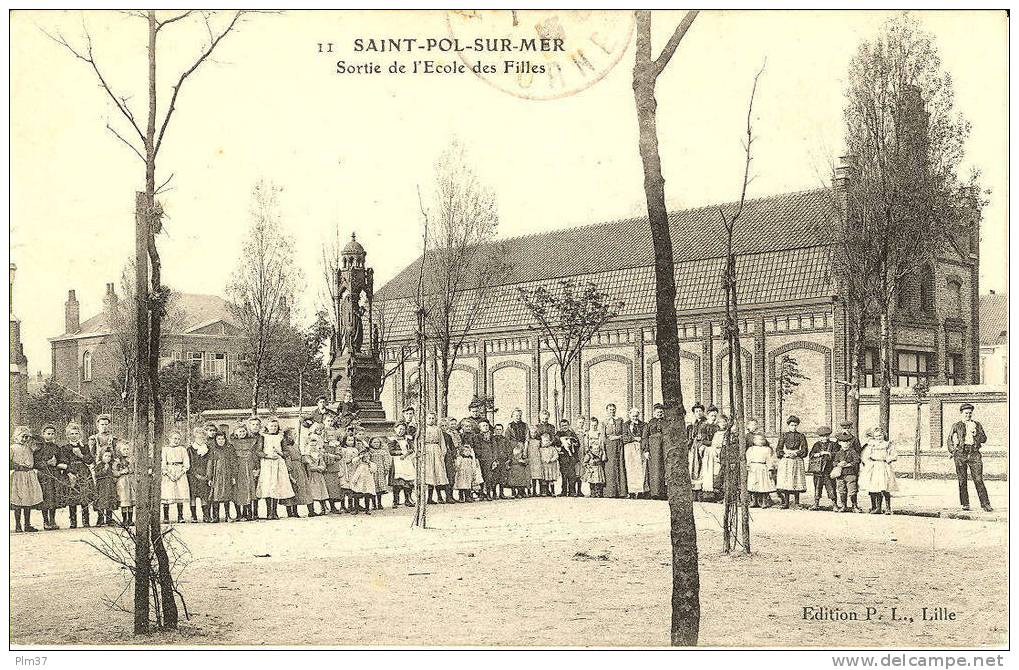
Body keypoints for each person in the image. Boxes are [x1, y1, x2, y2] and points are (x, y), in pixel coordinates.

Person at [948, 403, 993, 512]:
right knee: (962, 480)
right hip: (961, 454)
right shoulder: (956, 425)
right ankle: (965, 504)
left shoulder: (977, 424)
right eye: (966, 413)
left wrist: (976, 433)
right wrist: (953, 451)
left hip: (974, 453)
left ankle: (985, 504)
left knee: (978, 479)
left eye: (970, 413)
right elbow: (949, 439)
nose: (968, 415)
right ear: (961, 414)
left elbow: (984, 439)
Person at [255, 417, 295, 521]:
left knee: (276, 486)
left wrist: (279, 453)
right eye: (271, 426)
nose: (273, 428)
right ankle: (269, 512)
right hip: (267, 464)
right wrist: (267, 455)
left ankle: (275, 512)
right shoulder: (262, 437)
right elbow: (258, 451)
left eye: (275, 426)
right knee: (268, 486)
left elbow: (286, 452)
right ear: (267, 427)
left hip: (278, 463)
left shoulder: (280, 437)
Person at [59, 422, 95, 528]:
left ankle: (86, 521)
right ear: (68, 435)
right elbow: (63, 462)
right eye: (72, 434)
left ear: (80, 435)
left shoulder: (85, 447)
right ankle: (73, 521)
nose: (74, 436)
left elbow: (89, 460)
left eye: (76, 433)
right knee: (72, 497)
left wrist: (80, 455)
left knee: (84, 496)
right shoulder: (65, 448)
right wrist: (69, 473)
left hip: (83, 472)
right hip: (71, 472)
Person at [10, 426, 42, 532]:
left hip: (29, 475)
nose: (24, 439)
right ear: (16, 437)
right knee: (18, 501)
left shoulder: (30, 447)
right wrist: (17, 466)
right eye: (22, 436)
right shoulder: (12, 448)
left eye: (26, 437)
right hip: (18, 475)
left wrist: (31, 436)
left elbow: (40, 443)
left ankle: (27, 524)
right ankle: (18, 525)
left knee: (28, 500)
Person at [859, 427, 897, 515]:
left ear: (883, 435)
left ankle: (888, 508)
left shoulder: (888, 444)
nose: (878, 438)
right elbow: (865, 456)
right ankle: (876, 507)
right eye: (876, 436)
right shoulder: (871, 444)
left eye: (880, 435)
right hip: (874, 466)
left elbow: (894, 455)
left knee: (884, 487)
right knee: (873, 486)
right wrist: (868, 463)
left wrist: (888, 459)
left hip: (884, 466)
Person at [775, 415, 808, 509]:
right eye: (791, 425)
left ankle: (797, 502)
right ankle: (786, 502)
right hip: (787, 460)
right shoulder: (784, 435)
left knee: (796, 480)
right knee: (787, 480)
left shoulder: (801, 436)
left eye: (795, 425)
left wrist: (797, 453)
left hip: (797, 460)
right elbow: (778, 448)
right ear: (788, 426)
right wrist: (784, 454)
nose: (793, 427)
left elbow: (804, 449)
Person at [34, 424, 62, 530]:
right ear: (43, 434)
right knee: (45, 498)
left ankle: (53, 520)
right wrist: (47, 463)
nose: (50, 436)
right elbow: (35, 463)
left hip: (54, 475)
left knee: (53, 497)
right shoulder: (39, 447)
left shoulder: (56, 447)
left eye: (52, 434)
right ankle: (45, 522)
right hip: (43, 475)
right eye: (48, 433)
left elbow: (61, 460)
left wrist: (57, 463)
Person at [231, 424, 260, 521]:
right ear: (235, 433)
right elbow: (232, 458)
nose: (242, 433)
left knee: (248, 490)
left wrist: (256, 467)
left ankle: (247, 513)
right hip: (238, 469)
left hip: (248, 468)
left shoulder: (251, 442)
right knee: (238, 491)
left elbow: (255, 456)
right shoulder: (232, 443)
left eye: (244, 431)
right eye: (240, 431)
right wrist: (233, 471)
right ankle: (238, 514)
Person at [282, 427, 313, 519]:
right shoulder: (285, 447)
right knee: (292, 489)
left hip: (300, 468)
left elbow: (300, 456)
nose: (295, 436)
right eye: (293, 435)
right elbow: (287, 459)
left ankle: (304, 511)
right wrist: (289, 470)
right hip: (292, 468)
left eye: (296, 434)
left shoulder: (296, 445)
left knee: (301, 489)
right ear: (288, 436)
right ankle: (291, 512)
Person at [161, 430, 191, 523]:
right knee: (167, 494)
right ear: (169, 439)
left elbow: (186, 463)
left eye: (178, 439)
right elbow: (163, 463)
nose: (176, 440)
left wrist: (180, 473)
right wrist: (168, 474)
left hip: (180, 472)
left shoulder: (182, 449)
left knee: (180, 493)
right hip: (169, 473)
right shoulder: (165, 449)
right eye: (174, 438)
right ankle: (166, 517)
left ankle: (180, 516)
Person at [187, 424, 215, 522]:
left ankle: (205, 515)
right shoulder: (190, 449)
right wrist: (195, 474)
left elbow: (210, 462)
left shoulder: (208, 449)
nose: (200, 439)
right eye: (198, 437)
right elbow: (189, 463)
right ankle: (194, 516)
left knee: (204, 495)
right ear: (194, 437)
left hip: (205, 475)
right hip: (193, 475)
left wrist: (207, 476)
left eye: (203, 437)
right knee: (193, 496)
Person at [206, 431, 235, 522]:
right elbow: (210, 464)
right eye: (218, 439)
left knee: (226, 495)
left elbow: (233, 463)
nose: (221, 441)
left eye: (222, 438)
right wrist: (209, 478)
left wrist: (233, 476)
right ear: (215, 440)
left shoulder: (229, 449)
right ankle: (216, 517)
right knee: (216, 496)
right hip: (216, 475)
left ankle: (227, 516)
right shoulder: (213, 450)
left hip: (227, 474)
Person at [806, 426, 838, 510]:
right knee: (817, 487)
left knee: (831, 487)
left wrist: (828, 453)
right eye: (822, 436)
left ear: (829, 436)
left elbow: (837, 455)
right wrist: (818, 454)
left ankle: (834, 504)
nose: (824, 438)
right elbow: (811, 455)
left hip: (828, 469)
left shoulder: (833, 444)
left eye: (826, 436)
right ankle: (816, 503)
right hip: (818, 470)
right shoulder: (817, 445)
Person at [832, 430, 862, 513]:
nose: (845, 444)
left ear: (850, 443)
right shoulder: (838, 453)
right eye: (843, 442)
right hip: (840, 475)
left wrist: (848, 464)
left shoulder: (853, 452)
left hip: (851, 474)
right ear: (839, 443)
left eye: (847, 442)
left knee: (852, 490)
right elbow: (834, 462)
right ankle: (843, 506)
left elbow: (857, 460)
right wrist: (839, 464)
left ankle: (854, 506)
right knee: (842, 490)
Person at [422, 412, 449, 504]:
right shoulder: (422, 429)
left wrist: (442, 454)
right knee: (429, 474)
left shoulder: (438, 429)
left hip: (436, 451)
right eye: (429, 418)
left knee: (437, 473)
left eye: (433, 418)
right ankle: (428, 498)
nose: (431, 420)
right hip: (426, 451)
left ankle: (439, 496)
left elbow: (442, 442)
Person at [601, 404, 627, 498]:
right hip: (609, 446)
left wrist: (618, 437)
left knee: (620, 466)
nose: (612, 411)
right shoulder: (604, 422)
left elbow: (624, 433)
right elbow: (603, 437)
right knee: (610, 468)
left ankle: (621, 492)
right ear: (607, 410)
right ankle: (610, 492)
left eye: (613, 409)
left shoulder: (620, 420)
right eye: (610, 410)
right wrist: (603, 451)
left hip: (619, 445)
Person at [700, 415, 727, 502]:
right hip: (716, 454)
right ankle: (716, 495)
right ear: (718, 424)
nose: (723, 424)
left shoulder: (728, 433)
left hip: (724, 453)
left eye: (724, 422)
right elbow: (714, 444)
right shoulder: (717, 433)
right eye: (721, 422)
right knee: (715, 473)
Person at [643, 405, 667, 499]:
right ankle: (654, 493)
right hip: (653, 449)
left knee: (664, 469)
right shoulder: (649, 423)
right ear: (654, 413)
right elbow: (645, 437)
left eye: (661, 412)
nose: (659, 414)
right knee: (654, 470)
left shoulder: (666, 422)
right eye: (657, 412)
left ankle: (664, 493)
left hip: (664, 448)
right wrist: (646, 450)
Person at [389, 422, 416, 507]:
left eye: (403, 429)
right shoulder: (392, 439)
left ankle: (407, 499)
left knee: (408, 481)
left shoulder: (408, 438)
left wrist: (407, 453)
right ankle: (395, 501)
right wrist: (401, 453)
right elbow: (391, 451)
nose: (401, 431)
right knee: (397, 482)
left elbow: (412, 448)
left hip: (406, 461)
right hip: (397, 461)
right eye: (400, 429)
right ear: (395, 429)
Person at [746, 432, 777, 507]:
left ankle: (764, 501)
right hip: (753, 468)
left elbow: (769, 460)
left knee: (763, 485)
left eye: (762, 439)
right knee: (753, 485)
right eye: (758, 439)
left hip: (763, 468)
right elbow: (748, 458)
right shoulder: (751, 449)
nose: (760, 441)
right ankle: (754, 501)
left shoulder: (767, 449)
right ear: (754, 440)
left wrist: (770, 469)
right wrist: (748, 465)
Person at [623, 407, 647, 499]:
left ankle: (640, 491)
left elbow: (644, 437)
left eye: (636, 416)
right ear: (629, 416)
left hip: (639, 448)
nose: (634, 418)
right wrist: (634, 438)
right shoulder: (625, 425)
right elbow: (624, 438)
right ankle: (632, 491)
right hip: (629, 448)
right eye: (633, 416)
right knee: (630, 468)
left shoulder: (643, 425)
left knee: (640, 469)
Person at [506, 409, 530, 498]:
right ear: (512, 416)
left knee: (523, 469)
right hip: (513, 448)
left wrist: (525, 450)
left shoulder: (525, 425)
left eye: (520, 415)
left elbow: (527, 438)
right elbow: (507, 439)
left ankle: (522, 490)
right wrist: (511, 450)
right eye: (516, 415)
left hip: (522, 447)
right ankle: (514, 490)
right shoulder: (509, 426)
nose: (518, 417)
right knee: (514, 469)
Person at [472, 419, 498, 501]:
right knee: (481, 476)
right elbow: (476, 448)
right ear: (479, 427)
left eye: (487, 425)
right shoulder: (476, 437)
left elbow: (495, 448)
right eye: (483, 426)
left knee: (489, 477)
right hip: (480, 459)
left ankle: (489, 494)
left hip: (489, 459)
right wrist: (479, 456)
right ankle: (481, 493)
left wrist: (494, 459)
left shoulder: (492, 437)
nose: (486, 427)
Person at [530, 410, 555, 495]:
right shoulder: (537, 427)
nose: (545, 419)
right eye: (543, 418)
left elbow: (553, 437)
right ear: (540, 417)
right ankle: (542, 490)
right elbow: (535, 438)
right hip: (539, 450)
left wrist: (549, 443)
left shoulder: (551, 427)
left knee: (548, 472)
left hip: (548, 449)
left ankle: (549, 490)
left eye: (546, 418)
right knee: (541, 472)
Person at [305, 434, 331, 515]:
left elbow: (323, 465)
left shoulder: (319, 455)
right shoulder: (306, 456)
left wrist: (322, 467)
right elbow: (309, 467)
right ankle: (311, 510)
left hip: (319, 476)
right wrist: (317, 468)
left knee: (321, 492)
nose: (313, 447)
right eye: (311, 445)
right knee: (311, 493)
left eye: (315, 445)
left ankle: (323, 508)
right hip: (311, 476)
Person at [347, 445, 377, 514]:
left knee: (367, 495)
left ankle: (367, 509)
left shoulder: (371, 464)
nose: (366, 458)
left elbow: (374, 470)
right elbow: (353, 461)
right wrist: (360, 456)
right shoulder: (359, 464)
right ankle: (356, 509)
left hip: (367, 482)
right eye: (364, 456)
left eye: (368, 456)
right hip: (359, 482)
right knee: (357, 495)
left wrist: (369, 463)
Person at [556, 419, 582, 497]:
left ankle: (572, 491)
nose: (564, 427)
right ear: (560, 426)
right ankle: (563, 491)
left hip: (571, 457)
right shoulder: (558, 434)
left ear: (569, 425)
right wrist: (561, 445)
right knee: (564, 474)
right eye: (562, 426)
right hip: (563, 457)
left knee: (572, 475)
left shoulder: (572, 433)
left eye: (566, 425)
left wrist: (572, 444)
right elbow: (555, 443)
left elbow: (578, 444)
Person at [93, 448, 118, 527]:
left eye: (109, 456)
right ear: (101, 456)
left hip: (110, 486)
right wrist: (104, 469)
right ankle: (100, 518)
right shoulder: (99, 465)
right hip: (101, 486)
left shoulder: (112, 465)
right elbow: (97, 474)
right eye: (105, 456)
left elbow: (114, 474)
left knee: (109, 501)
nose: (107, 458)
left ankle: (109, 519)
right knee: (101, 501)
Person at [112, 441, 136, 526]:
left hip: (130, 481)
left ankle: (130, 519)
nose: (126, 451)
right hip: (122, 482)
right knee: (124, 500)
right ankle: (124, 519)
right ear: (119, 450)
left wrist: (131, 469)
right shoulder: (117, 461)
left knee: (131, 500)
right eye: (124, 449)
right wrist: (121, 472)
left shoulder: (132, 459)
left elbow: (134, 469)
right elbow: (114, 472)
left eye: (127, 449)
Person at [687, 403, 706, 500]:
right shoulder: (693, 424)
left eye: (700, 411)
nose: (698, 413)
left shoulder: (705, 423)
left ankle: (700, 492)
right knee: (693, 468)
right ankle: (694, 491)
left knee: (700, 468)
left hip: (701, 447)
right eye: (696, 411)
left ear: (703, 412)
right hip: (694, 448)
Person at [453, 433, 480, 502]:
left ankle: (468, 496)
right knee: (461, 485)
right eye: (465, 451)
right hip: (462, 474)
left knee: (468, 485)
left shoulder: (470, 458)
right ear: (462, 451)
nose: (467, 453)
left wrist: (473, 471)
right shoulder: (461, 458)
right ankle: (461, 497)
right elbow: (457, 465)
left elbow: (472, 465)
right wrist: (457, 469)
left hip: (468, 473)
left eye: (469, 451)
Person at [367, 436, 392, 511]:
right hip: (372, 471)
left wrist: (386, 468)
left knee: (380, 488)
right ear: (371, 443)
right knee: (373, 487)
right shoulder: (370, 451)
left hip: (380, 471)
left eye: (378, 442)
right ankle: (374, 504)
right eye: (374, 442)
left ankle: (379, 503)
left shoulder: (383, 451)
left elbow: (386, 460)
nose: (376, 444)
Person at [443, 418, 462, 503]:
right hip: (439, 457)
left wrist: (454, 456)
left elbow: (452, 447)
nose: (443, 427)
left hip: (448, 457)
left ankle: (450, 495)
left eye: (445, 426)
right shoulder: (437, 435)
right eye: (442, 426)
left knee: (451, 475)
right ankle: (441, 496)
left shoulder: (448, 436)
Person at [584, 430, 607, 498]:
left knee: (598, 482)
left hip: (599, 470)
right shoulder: (589, 455)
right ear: (591, 449)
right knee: (592, 482)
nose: (596, 450)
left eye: (597, 449)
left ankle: (599, 493)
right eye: (594, 449)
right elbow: (584, 463)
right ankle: (592, 493)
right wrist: (588, 467)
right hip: (592, 471)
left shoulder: (600, 455)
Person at [492, 423, 511, 500]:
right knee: (494, 477)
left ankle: (501, 493)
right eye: (497, 429)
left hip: (503, 460)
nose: (498, 431)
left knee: (502, 477)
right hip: (495, 461)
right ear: (494, 430)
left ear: (502, 430)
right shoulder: (492, 439)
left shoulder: (505, 439)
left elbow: (509, 450)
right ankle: (494, 493)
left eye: (500, 429)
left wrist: (508, 459)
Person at [537, 432, 560, 496]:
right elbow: (539, 457)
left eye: (547, 440)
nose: (546, 442)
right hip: (544, 466)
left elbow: (556, 456)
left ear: (550, 441)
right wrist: (544, 460)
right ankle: (545, 491)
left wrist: (551, 460)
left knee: (551, 480)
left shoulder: (552, 448)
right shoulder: (541, 449)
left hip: (551, 467)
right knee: (544, 479)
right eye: (544, 441)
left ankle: (553, 491)